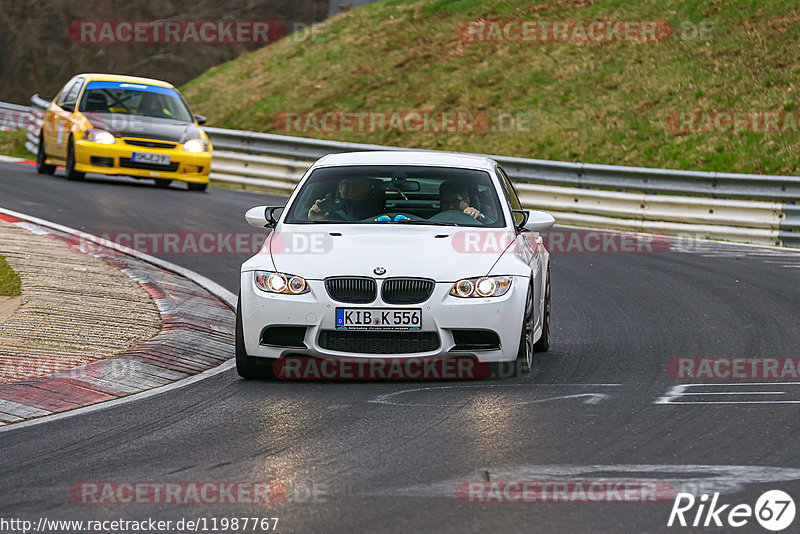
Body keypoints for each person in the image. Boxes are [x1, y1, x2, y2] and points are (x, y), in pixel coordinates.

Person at [308, 177, 384, 221]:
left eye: (358, 184)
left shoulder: (383, 215)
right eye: (347, 184)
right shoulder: (328, 214)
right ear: (340, 188)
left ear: (368, 187)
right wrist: (314, 219)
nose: (352, 189)